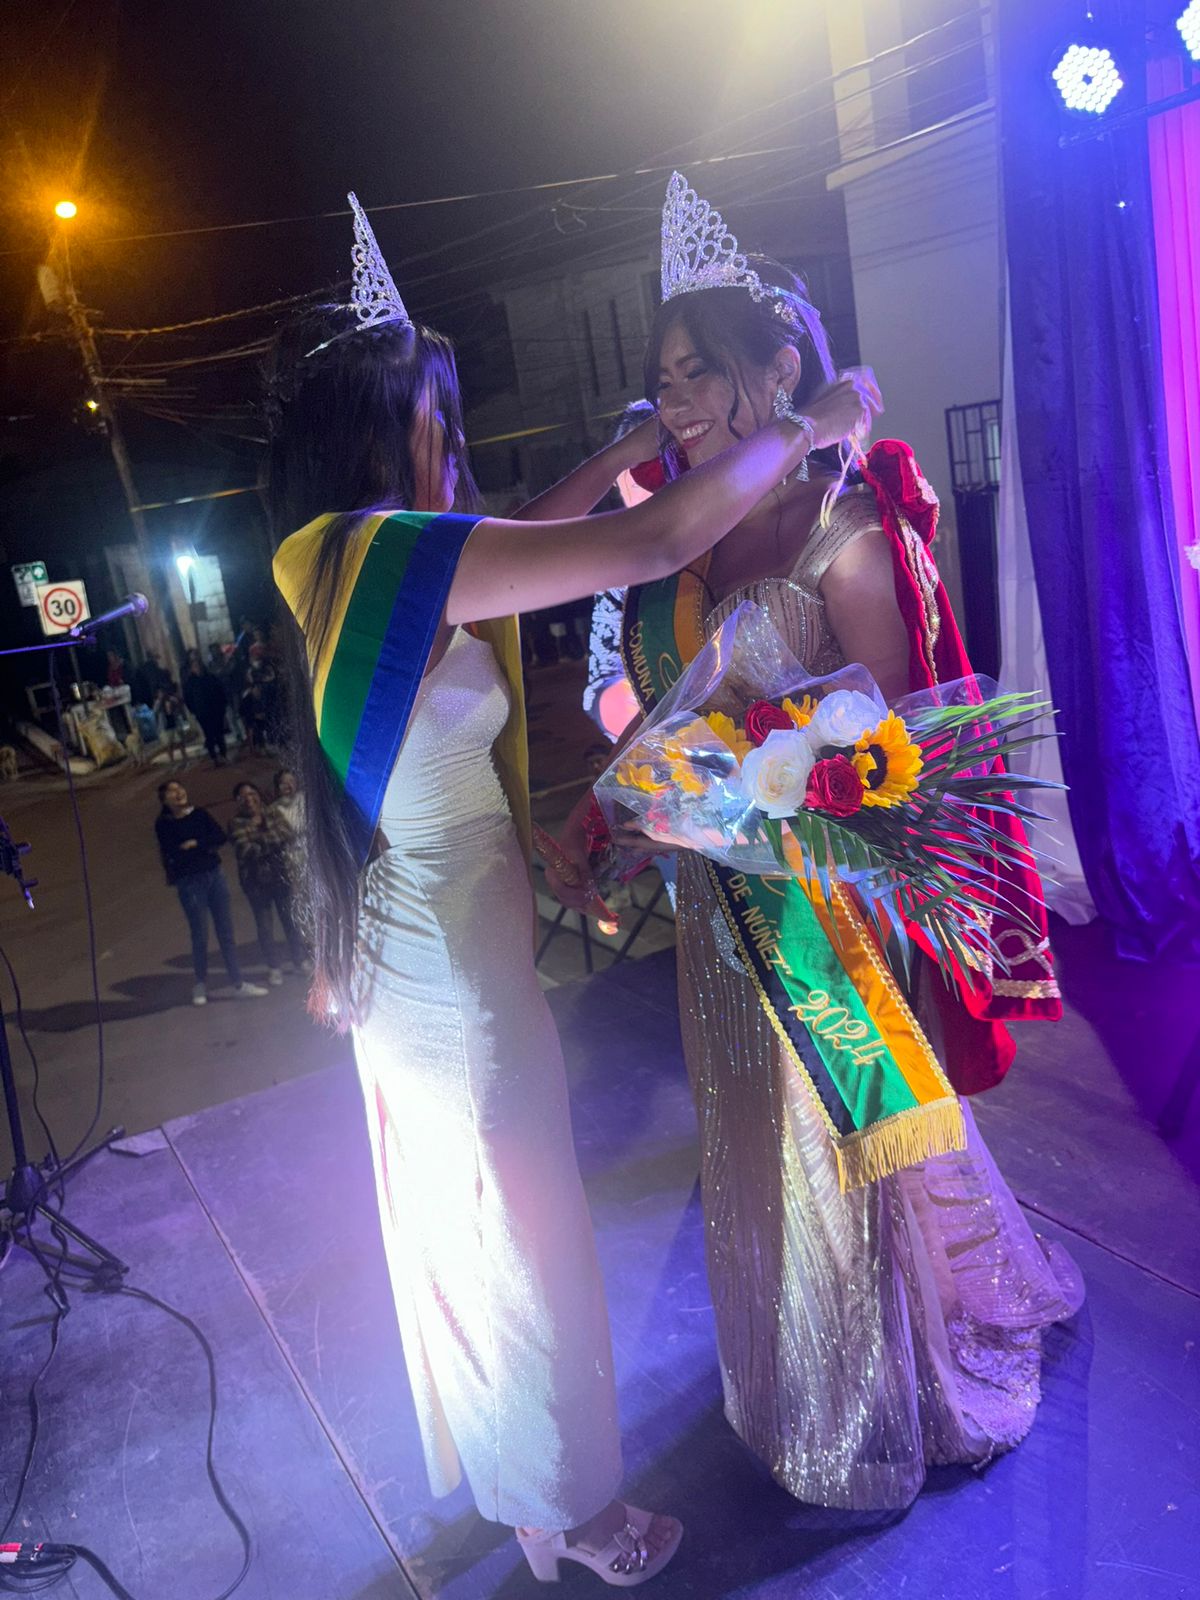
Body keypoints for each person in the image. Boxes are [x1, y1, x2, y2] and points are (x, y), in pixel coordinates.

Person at [267, 194, 874, 1587]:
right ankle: (573, 1508)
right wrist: (807, 424)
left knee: (478, 1214)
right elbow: (652, 547)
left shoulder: (348, 551)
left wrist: (624, 449)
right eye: (436, 418)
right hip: (446, 956)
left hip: (441, 927)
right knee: (519, 1218)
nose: (453, 445)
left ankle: (521, 1483)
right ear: (377, 426)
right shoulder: (383, 548)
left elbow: (518, 534)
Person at [546, 173, 1083, 1514]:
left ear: (778, 370)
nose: (673, 398)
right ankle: (793, 1376)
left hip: (818, 909)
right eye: (661, 376)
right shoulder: (686, 532)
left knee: (840, 1141)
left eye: (698, 370)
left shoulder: (846, 526)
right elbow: (657, 698)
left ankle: (878, 1388)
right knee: (747, 1134)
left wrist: (777, 780)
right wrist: (635, 794)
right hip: (711, 900)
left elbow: (892, 735)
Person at [154, 779, 267, 1006]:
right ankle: (200, 984)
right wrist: (196, 849)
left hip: (214, 876)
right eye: (172, 791)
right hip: (190, 883)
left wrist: (196, 844)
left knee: (226, 932)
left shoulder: (199, 814)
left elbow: (219, 837)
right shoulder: (164, 824)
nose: (178, 793)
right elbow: (172, 852)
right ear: (165, 800)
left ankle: (238, 983)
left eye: (180, 788)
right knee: (200, 934)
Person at [228, 780, 307, 983]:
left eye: (252, 794)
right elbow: (244, 850)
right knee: (265, 926)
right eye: (243, 797)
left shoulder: (272, 813)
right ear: (237, 801)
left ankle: (299, 960)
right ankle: (274, 967)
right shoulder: (236, 823)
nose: (249, 800)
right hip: (255, 882)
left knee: (290, 921)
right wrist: (269, 841)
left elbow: (286, 834)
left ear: (258, 795)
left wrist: (258, 837)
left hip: (279, 876)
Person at [182, 647, 230, 766]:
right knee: (209, 735)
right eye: (195, 666)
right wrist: (194, 710)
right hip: (202, 712)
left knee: (219, 733)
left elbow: (220, 691)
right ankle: (214, 757)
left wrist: (222, 706)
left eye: (198, 666)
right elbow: (188, 698)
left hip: (216, 710)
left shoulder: (211, 678)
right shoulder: (190, 683)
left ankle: (223, 755)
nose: (197, 668)